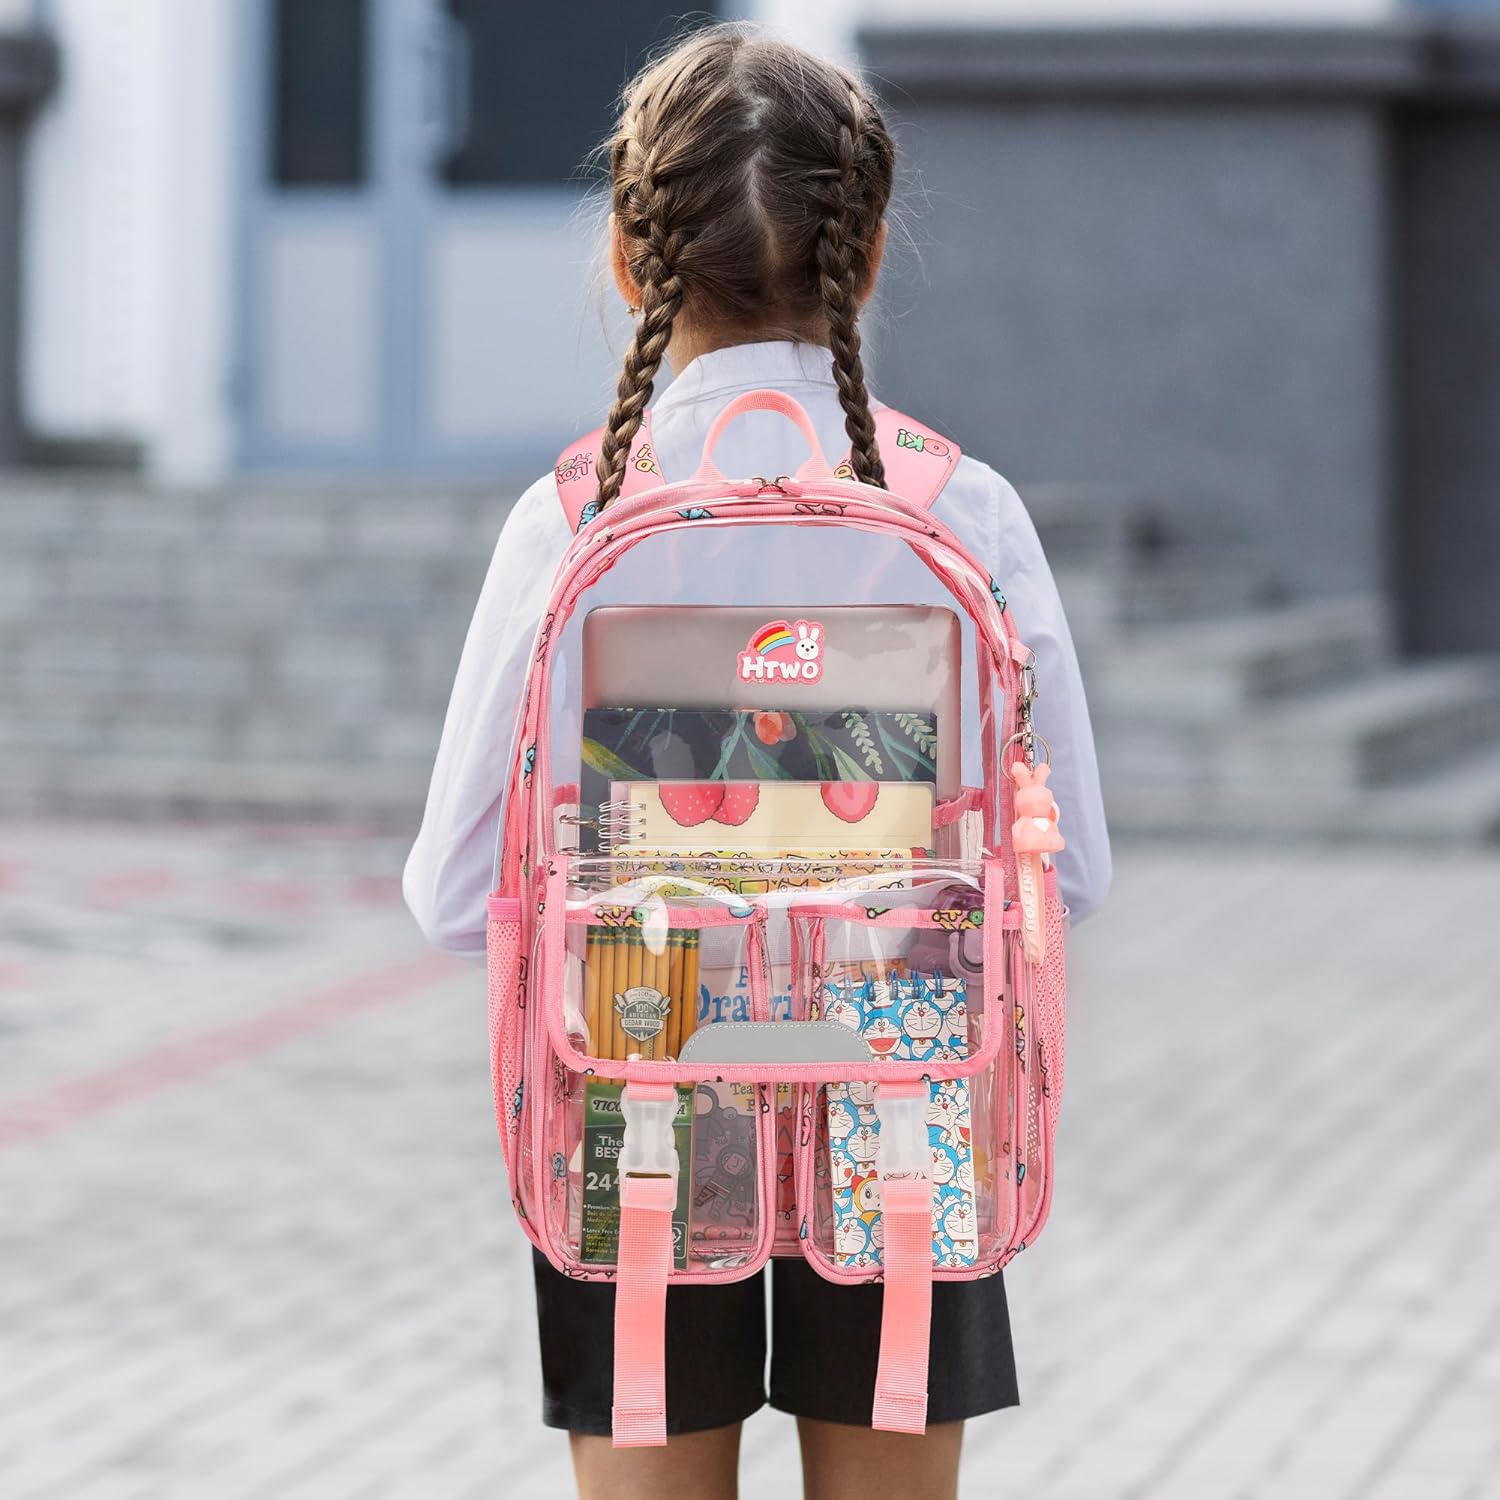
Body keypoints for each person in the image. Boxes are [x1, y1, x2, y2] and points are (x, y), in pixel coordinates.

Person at [404, 22, 1110, 1500]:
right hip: (905, 1082)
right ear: (863, 256)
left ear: (626, 254)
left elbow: (455, 892)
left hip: (642, 1074)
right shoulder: (960, 513)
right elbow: (1073, 876)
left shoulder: (573, 522)